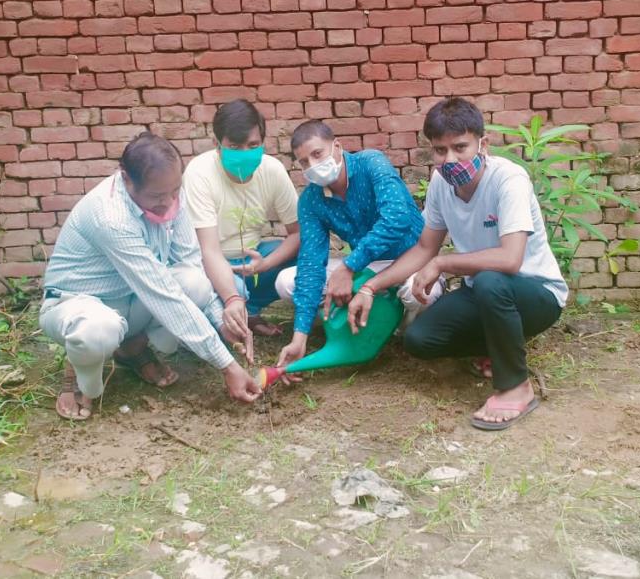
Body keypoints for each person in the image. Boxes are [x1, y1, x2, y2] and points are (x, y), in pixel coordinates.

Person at [346, 98, 568, 431]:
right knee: (420, 339)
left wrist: (444, 263)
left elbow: (510, 259)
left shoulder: (508, 180)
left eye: (460, 147)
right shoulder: (441, 184)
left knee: (491, 279)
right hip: (485, 294)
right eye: (440, 150)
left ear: (483, 144)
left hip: (536, 295)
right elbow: (425, 247)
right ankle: (498, 347)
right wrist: (369, 286)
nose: (449, 159)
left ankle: (516, 387)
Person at [40, 131, 261, 420]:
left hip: (132, 299)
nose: (169, 202)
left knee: (194, 282)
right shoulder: (110, 217)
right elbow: (164, 295)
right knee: (98, 331)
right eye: (157, 196)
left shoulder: (170, 193)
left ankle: (131, 348)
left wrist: (221, 322)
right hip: (78, 305)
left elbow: (190, 265)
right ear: (126, 179)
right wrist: (227, 365)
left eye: (175, 191)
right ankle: (84, 379)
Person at [274, 119, 443, 371]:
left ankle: (401, 328)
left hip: (412, 258)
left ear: (337, 146)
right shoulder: (311, 200)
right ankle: (354, 323)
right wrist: (300, 337)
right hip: (367, 266)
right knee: (287, 281)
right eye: (304, 162)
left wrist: (349, 266)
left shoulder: (371, 163)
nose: (313, 165)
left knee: (416, 293)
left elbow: (397, 218)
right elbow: (311, 262)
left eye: (317, 154)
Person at [183, 99, 300, 352]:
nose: (245, 153)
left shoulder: (273, 170)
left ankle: (249, 310)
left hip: (251, 261)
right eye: (235, 147)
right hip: (209, 264)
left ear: (263, 143)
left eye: (253, 145)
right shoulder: (199, 172)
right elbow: (208, 250)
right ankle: (231, 309)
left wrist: (265, 264)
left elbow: (298, 233)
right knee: (230, 289)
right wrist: (233, 296)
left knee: (305, 250)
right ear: (217, 145)